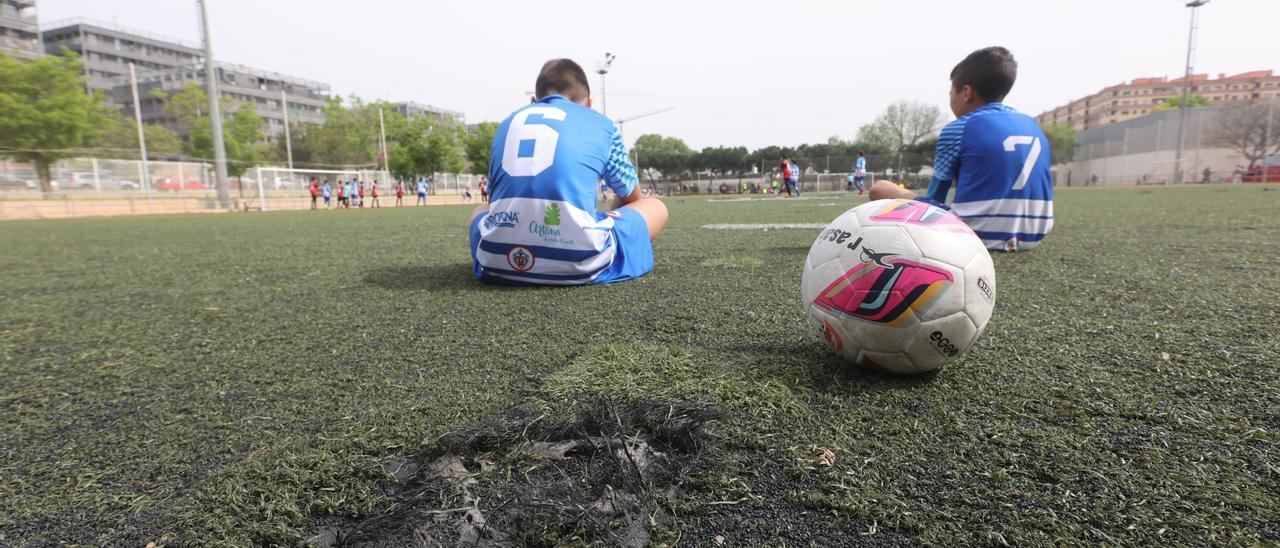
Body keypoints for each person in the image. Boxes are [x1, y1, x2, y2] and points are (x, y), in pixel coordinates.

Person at [468, 58, 668, 285]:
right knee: (656, 206)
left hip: (497, 261)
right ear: (589, 103)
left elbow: (495, 202)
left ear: (534, 102)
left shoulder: (507, 123)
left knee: (480, 209)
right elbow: (632, 196)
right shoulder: (600, 123)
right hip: (581, 263)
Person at [869, 46, 1052, 252]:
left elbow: (935, 198)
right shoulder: (1033, 126)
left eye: (951, 93)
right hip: (1033, 236)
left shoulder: (960, 127)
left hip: (972, 235)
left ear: (966, 92)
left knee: (880, 188)